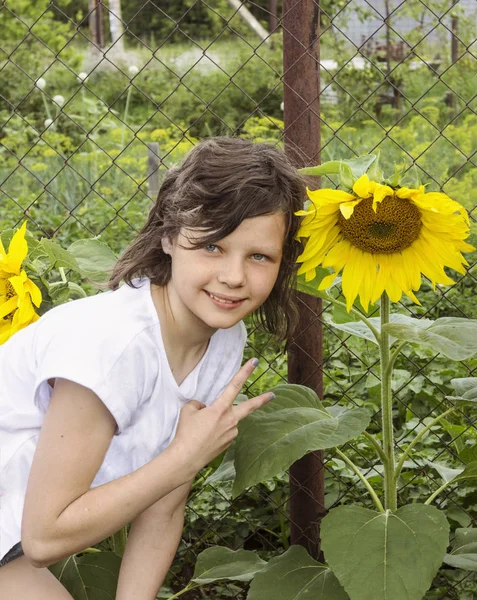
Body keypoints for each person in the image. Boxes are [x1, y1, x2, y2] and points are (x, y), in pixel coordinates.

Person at [0, 136, 306, 599]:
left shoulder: (223, 339)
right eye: (212, 247)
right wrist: (185, 457)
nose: (234, 277)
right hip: (30, 534)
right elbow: (45, 538)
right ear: (168, 237)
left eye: (259, 256)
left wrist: (181, 463)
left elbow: (164, 503)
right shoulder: (112, 346)